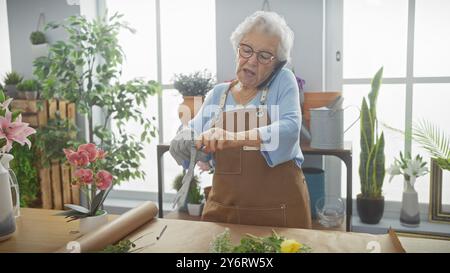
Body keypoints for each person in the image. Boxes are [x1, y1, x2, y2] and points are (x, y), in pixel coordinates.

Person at [170, 11, 311, 229]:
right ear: (237, 49)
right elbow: (193, 129)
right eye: (246, 50)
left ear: (277, 64)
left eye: (264, 56)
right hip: (225, 210)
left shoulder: (284, 82)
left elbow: (291, 128)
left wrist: (233, 137)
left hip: (279, 212)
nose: (252, 61)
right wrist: (185, 137)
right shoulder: (218, 94)